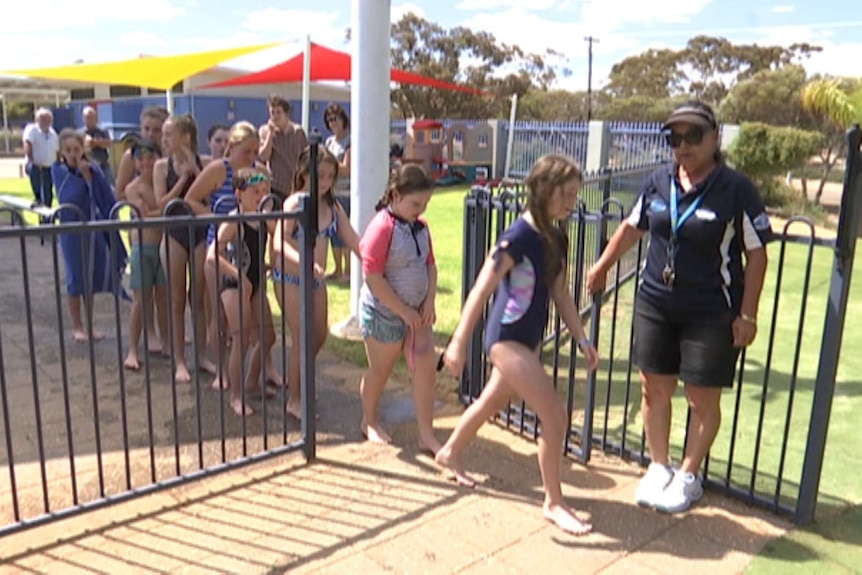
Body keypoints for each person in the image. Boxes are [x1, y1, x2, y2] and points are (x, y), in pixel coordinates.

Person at [586, 101, 771, 514]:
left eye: (692, 136)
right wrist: (601, 266)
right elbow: (632, 227)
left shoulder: (736, 189)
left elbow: (757, 256)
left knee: (701, 398)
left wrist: (748, 315)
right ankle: (658, 467)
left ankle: (688, 476)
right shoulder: (657, 181)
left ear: (714, 137)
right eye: (674, 137)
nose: (682, 145)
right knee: (654, 390)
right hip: (655, 302)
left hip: (711, 310)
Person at [437, 154, 599, 536]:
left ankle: (450, 453)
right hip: (506, 340)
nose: (572, 202)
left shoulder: (557, 236)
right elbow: (483, 286)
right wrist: (459, 341)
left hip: (527, 341)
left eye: (576, 194)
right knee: (555, 415)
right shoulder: (518, 235)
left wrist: (581, 336)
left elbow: (560, 293)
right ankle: (554, 502)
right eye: (568, 193)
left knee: (491, 402)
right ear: (545, 191)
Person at [186, 121, 279, 390]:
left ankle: (266, 369)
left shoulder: (260, 173)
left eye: (255, 151)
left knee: (260, 319)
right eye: (246, 151)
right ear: (232, 147)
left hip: (252, 249)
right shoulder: (219, 169)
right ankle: (222, 372)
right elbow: (191, 200)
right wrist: (221, 219)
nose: (251, 157)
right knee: (221, 315)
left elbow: (268, 212)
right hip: (222, 248)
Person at [271, 144, 361, 419]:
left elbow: (354, 240)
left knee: (318, 337)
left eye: (330, 176)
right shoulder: (295, 203)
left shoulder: (332, 206)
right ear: (304, 173)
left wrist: (379, 262)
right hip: (289, 278)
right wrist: (304, 262)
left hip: (316, 282)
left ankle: (299, 379)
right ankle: (295, 399)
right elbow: (278, 242)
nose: (324, 182)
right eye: (319, 175)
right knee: (304, 338)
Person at [357, 164, 440, 449]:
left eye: (425, 204)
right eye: (416, 203)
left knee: (425, 369)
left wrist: (429, 300)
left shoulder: (421, 227)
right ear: (395, 195)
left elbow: (430, 265)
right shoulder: (381, 228)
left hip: (417, 315)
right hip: (385, 316)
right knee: (380, 371)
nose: (421, 210)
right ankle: (369, 420)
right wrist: (403, 311)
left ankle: (426, 435)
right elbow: (373, 277)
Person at [207, 168, 277, 416]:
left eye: (264, 191)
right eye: (255, 192)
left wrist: (266, 264)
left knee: (268, 336)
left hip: (255, 283)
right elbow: (212, 254)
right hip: (236, 286)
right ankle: (236, 397)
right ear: (239, 194)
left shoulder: (261, 218)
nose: (261, 196)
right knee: (242, 340)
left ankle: (251, 380)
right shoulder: (233, 221)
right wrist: (238, 275)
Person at [154, 114, 215, 383]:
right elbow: (163, 203)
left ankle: (201, 356)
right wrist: (183, 179)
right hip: (174, 233)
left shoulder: (207, 163)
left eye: (169, 134)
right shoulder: (160, 166)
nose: (163, 139)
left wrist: (196, 171)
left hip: (200, 233)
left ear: (185, 137)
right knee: (177, 299)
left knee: (198, 298)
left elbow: (211, 195)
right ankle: (180, 360)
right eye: (164, 134)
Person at [51, 129, 127, 342]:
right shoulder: (58, 170)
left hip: (92, 230)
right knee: (75, 278)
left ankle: (89, 325)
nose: (73, 154)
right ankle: (77, 325)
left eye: (76, 149)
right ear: (61, 152)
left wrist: (89, 178)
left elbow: (104, 195)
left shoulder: (93, 169)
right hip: (71, 231)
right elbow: (68, 196)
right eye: (68, 150)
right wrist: (84, 180)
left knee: (89, 276)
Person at [123, 140, 169, 370]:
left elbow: (161, 210)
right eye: (141, 158)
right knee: (140, 300)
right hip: (143, 247)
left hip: (162, 247)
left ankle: (166, 341)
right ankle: (132, 349)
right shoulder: (134, 187)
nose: (147, 163)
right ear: (134, 162)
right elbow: (145, 214)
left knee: (162, 298)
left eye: (151, 157)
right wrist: (163, 210)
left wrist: (160, 210)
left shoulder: (164, 185)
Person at [115, 106, 169, 201]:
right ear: (141, 129)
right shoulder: (130, 156)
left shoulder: (170, 155)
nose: (150, 134)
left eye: (156, 130)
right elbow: (119, 194)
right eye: (146, 129)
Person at [258, 95, 307, 198]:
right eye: (272, 112)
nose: (275, 116)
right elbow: (263, 156)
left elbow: (305, 158)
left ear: (286, 113)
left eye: (278, 112)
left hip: (295, 183)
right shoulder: (264, 131)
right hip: (275, 185)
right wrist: (270, 135)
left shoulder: (297, 132)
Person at [323, 103, 351, 281]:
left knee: (344, 230)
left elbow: (347, 168)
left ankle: (348, 270)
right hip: (330, 191)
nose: (333, 123)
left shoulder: (350, 140)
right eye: (329, 120)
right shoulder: (328, 142)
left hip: (346, 192)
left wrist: (329, 167)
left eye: (336, 119)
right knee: (332, 232)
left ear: (343, 120)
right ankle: (338, 269)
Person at [23, 108, 59, 211]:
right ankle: (37, 197)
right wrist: (31, 159)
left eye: (48, 119)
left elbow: (57, 150)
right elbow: (27, 143)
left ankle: (47, 220)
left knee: (48, 193)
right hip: (35, 164)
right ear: (37, 120)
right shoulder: (32, 129)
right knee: (35, 173)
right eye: (43, 119)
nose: (46, 122)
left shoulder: (53, 133)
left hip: (49, 166)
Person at [80, 106, 114, 186]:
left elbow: (108, 143)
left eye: (92, 117)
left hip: (103, 165)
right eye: (87, 118)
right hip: (88, 168)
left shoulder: (102, 131)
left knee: (110, 187)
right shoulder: (79, 133)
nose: (90, 120)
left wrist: (95, 142)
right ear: (83, 119)